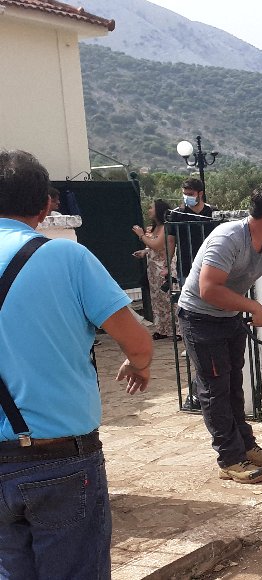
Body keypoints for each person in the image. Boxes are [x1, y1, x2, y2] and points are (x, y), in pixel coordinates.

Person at [0, 150, 153, 578]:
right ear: (46, 205)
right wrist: (139, 365)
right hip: (59, 459)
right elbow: (138, 342)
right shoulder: (68, 258)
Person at [177, 185, 262, 484]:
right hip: (200, 318)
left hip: (229, 316)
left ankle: (246, 447)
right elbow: (208, 289)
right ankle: (230, 459)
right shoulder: (228, 239)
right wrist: (252, 306)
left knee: (234, 386)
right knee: (215, 390)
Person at [133, 199, 177, 339]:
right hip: (153, 270)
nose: (149, 211)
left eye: (151, 208)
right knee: (157, 299)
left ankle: (176, 329)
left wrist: (141, 235)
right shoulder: (154, 228)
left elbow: (157, 245)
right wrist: (145, 251)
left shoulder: (166, 227)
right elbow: (152, 247)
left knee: (169, 299)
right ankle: (162, 329)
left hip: (164, 267)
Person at [166, 177, 215, 281]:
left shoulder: (213, 212)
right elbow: (171, 241)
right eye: (185, 194)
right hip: (186, 267)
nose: (187, 197)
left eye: (191, 194)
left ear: (200, 194)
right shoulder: (176, 214)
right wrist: (167, 265)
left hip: (211, 265)